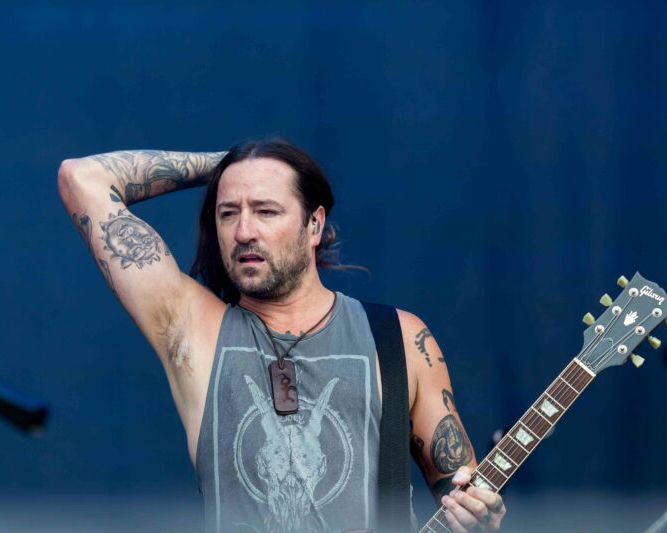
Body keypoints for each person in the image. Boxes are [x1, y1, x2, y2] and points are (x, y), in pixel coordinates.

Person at [57, 137, 506, 533]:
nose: (244, 231)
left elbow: (462, 497)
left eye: (266, 211)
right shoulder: (193, 330)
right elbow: (82, 177)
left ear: (314, 225)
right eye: (228, 213)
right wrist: (231, 164)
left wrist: (481, 516)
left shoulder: (399, 339)